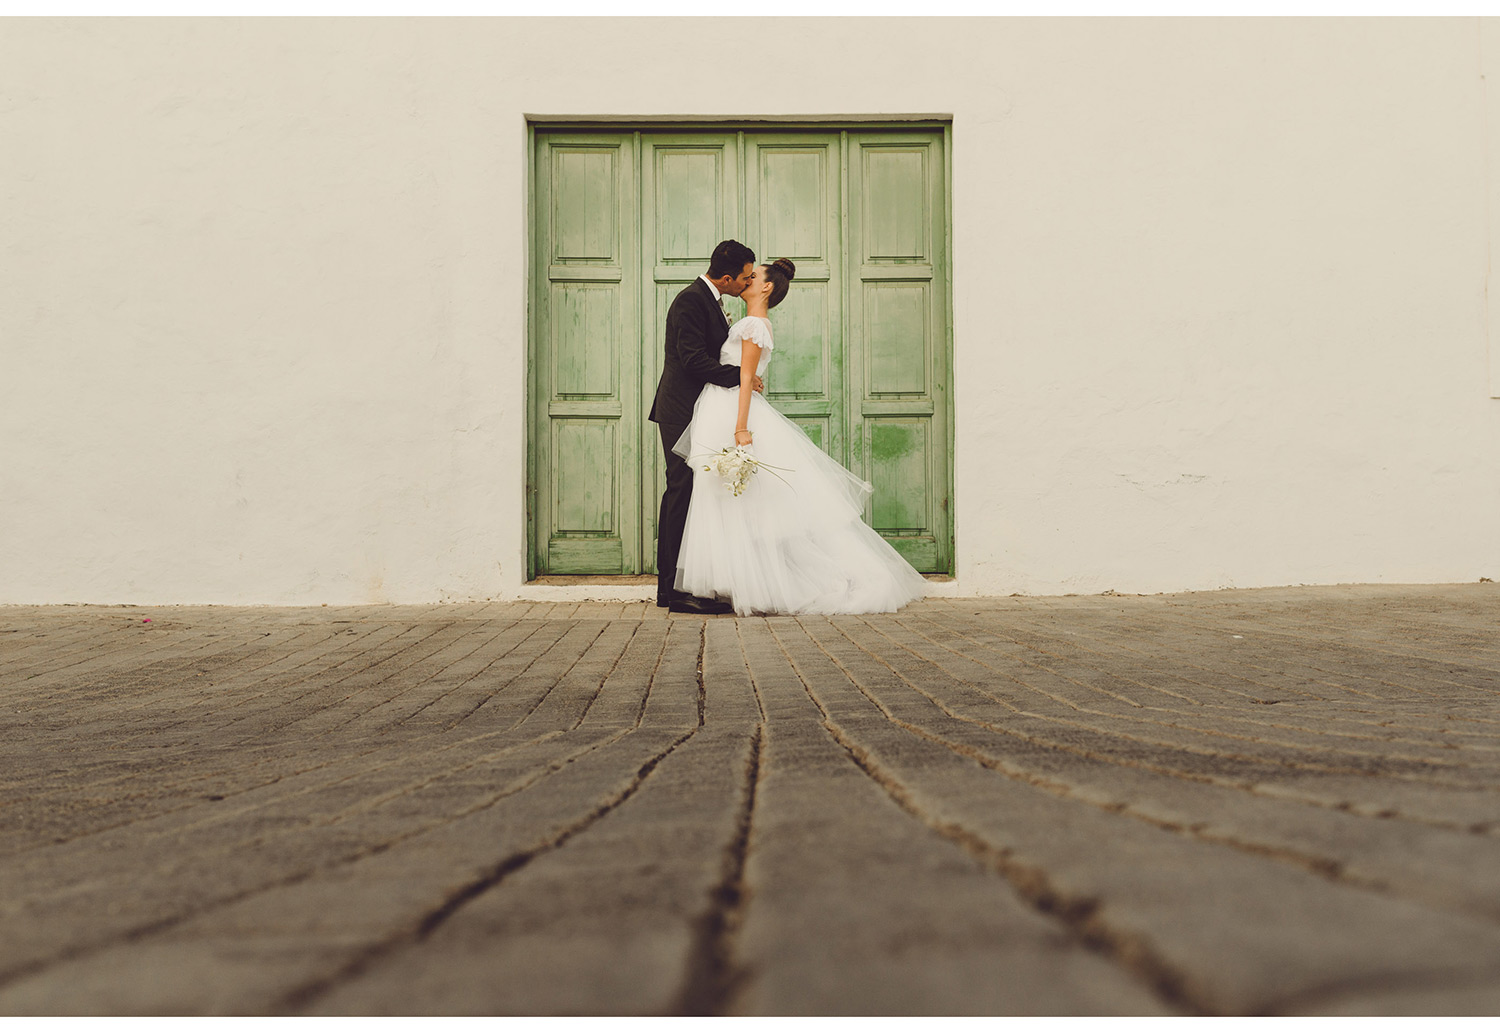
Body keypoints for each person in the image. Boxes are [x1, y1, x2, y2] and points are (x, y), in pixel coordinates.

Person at [671, 258, 929, 616]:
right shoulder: (756, 323)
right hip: (723, 406)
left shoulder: (752, 324)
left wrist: (741, 426)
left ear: (766, 287)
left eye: (754, 276)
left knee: (738, 500)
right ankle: (739, 580)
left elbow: (747, 378)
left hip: (733, 411)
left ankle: (752, 582)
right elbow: (748, 373)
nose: (747, 279)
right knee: (735, 500)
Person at [648, 239, 764, 614]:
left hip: (697, 409)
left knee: (690, 491)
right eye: (744, 278)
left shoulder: (710, 299)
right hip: (679, 409)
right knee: (680, 490)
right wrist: (742, 376)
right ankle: (672, 591)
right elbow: (692, 360)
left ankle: (679, 586)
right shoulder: (690, 300)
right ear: (727, 278)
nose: (747, 283)